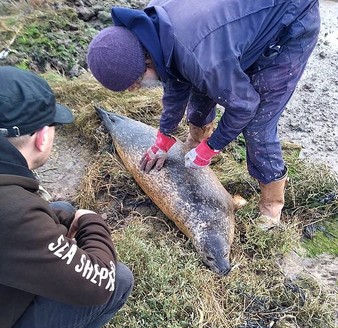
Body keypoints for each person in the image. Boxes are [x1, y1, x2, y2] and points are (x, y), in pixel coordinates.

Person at [86, 0, 320, 230]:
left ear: (146, 61)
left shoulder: (201, 58)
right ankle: (195, 145)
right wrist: (165, 134)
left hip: (291, 17)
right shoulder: (152, 30)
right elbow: (174, 75)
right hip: (230, 31)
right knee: (202, 86)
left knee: (258, 125)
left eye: (136, 83)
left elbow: (245, 106)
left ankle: (271, 207)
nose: (137, 89)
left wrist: (212, 146)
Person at [0, 66, 134, 328]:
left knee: (59, 209)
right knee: (118, 280)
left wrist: (58, 218)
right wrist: (92, 222)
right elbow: (99, 282)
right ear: (42, 136)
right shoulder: (13, 211)